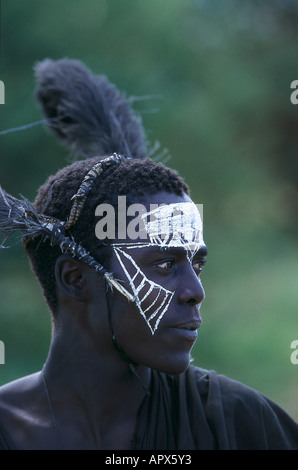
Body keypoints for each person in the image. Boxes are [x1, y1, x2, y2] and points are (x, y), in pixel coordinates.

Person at [0, 59, 297, 450]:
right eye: (164, 264)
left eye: (198, 264)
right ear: (74, 278)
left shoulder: (238, 422)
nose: (195, 291)